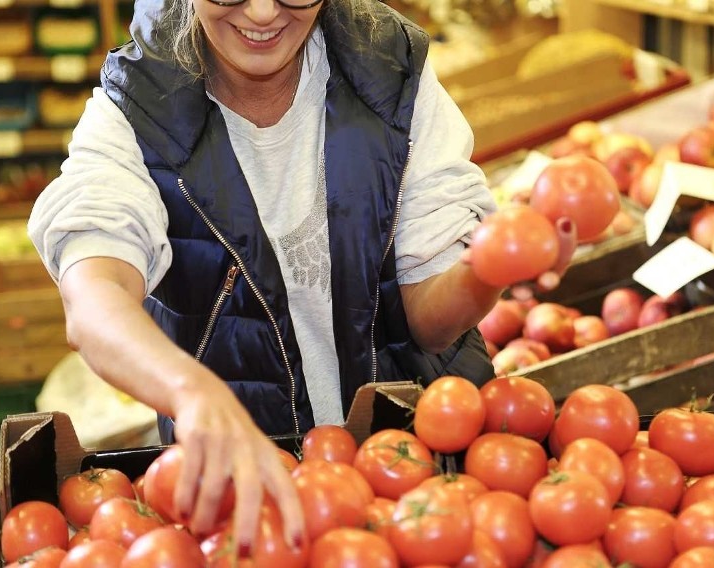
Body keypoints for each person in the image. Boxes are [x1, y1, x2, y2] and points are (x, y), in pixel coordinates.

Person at [28, 0, 574, 555]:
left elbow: (429, 324)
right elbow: (94, 300)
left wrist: (491, 267)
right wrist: (190, 393)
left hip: (419, 477)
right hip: (251, 495)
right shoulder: (135, 107)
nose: (264, 12)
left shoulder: (391, 69)